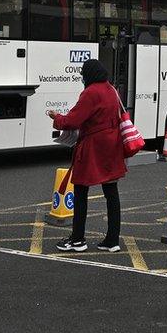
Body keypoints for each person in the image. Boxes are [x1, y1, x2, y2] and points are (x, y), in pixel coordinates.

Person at [47, 59, 127, 253]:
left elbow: (73, 120)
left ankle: (77, 239)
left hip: (93, 146)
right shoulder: (111, 90)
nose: (82, 78)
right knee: (111, 191)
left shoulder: (91, 93)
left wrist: (56, 117)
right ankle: (112, 240)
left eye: (83, 74)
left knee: (81, 190)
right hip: (112, 145)